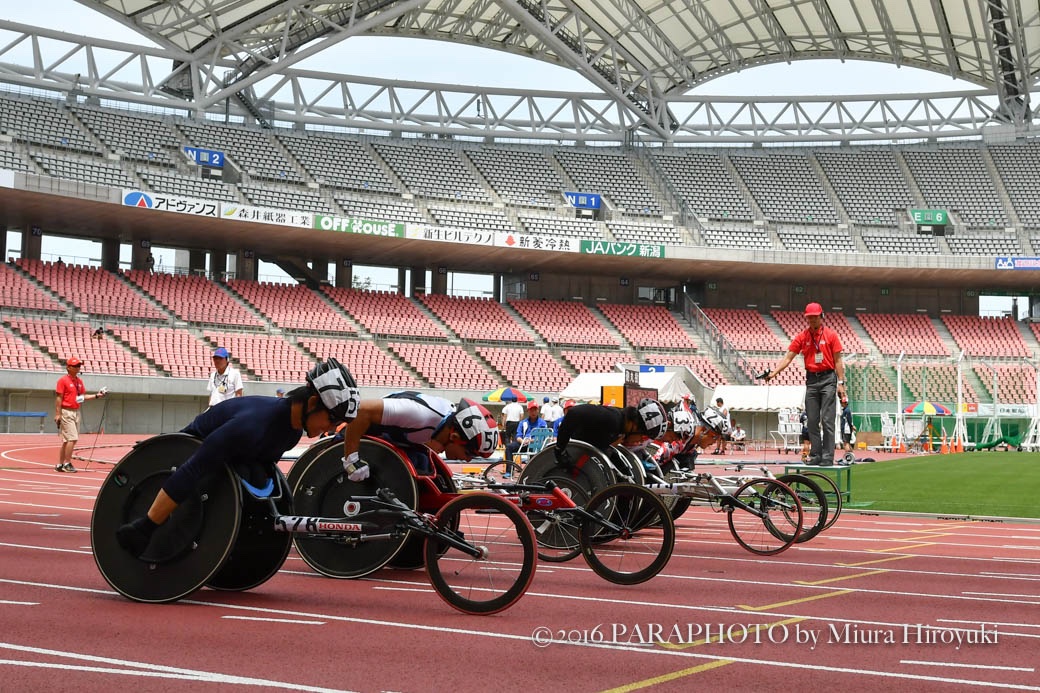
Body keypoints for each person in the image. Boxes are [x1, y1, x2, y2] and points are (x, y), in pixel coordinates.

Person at [116, 358, 361, 557]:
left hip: (239, 455)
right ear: (313, 402)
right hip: (197, 448)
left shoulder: (293, 432)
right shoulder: (251, 426)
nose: (332, 428)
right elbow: (192, 469)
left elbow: (263, 471)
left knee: (256, 475)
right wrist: (147, 527)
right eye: (333, 420)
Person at [336, 392, 500, 482]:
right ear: (455, 436)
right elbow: (361, 410)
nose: (469, 460)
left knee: (426, 467)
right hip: (353, 437)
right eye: (470, 454)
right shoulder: (418, 414)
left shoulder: (444, 425)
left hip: (387, 444)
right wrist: (351, 460)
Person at [765, 302, 847, 466]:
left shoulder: (831, 336)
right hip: (811, 380)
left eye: (815, 317)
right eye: (809, 318)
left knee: (827, 420)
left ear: (822, 316)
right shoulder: (802, 337)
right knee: (811, 420)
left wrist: (841, 383)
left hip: (828, 379)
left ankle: (827, 456)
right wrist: (774, 373)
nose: (812, 321)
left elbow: (838, 361)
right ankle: (816, 454)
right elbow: (789, 357)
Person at [553, 398, 669, 468]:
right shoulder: (612, 418)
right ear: (635, 426)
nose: (639, 441)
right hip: (569, 455)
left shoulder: (619, 427)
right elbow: (573, 412)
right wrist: (559, 450)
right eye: (641, 437)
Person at [54, 357, 107, 472]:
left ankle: (59, 465)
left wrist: (97, 395)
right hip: (66, 411)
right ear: (68, 367)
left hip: (76, 411)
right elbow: (59, 398)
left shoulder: (79, 382)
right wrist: (57, 414)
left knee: (67, 440)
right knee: (72, 438)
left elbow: (80, 398)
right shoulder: (63, 381)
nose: (78, 367)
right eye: (76, 366)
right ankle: (67, 464)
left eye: (79, 365)